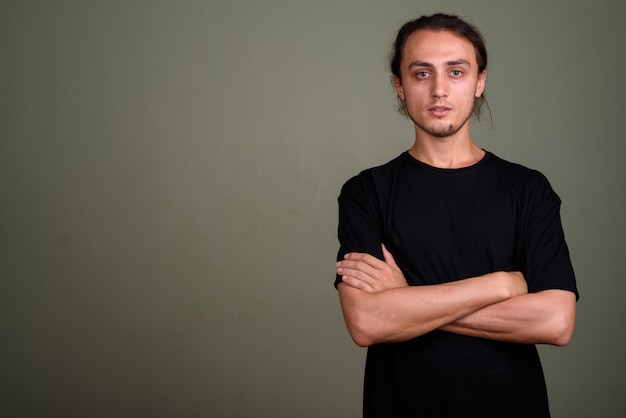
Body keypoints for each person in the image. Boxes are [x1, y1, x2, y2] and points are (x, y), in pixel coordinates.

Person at [334, 13, 578, 418]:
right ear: (399, 85)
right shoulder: (366, 192)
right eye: (421, 73)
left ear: (480, 81)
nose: (439, 90)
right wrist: (501, 284)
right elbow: (367, 323)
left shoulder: (528, 189)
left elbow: (555, 322)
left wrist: (406, 297)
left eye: (457, 71)